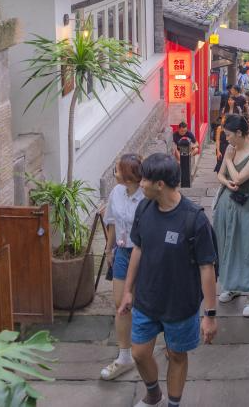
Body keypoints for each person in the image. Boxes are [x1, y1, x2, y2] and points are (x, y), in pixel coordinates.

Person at [118, 153, 218, 407]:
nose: (141, 184)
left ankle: (173, 403)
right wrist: (128, 290)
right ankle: (154, 395)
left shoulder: (194, 219)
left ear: (160, 184)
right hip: (147, 299)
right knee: (139, 353)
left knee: (176, 355)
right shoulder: (144, 208)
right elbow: (138, 248)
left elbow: (207, 268)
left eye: (145, 180)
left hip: (180, 305)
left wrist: (209, 315)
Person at [100, 154, 146, 381]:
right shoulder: (116, 192)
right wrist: (109, 250)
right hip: (122, 253)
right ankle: (125, 356)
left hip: (144, 254)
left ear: (128, 178)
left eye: (117, 171)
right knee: (120, 304)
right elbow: (112, 223)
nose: (114, 173)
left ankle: (165, 344)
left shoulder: (146, 197)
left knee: (148, 304)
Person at [213, 115, 249, 318]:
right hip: (227, 203)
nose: (226, 139)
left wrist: (228, 160)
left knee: (248, 248)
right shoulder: (231, 148)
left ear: (239, 133)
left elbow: (239, 178)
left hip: (246, 207)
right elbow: (221, 175)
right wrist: (226, 183)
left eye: (228, 135)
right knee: (227, 245)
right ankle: (232, 286)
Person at [171, 122, 198, 189]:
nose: (184, 132)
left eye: (185, 131)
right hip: (179, 151)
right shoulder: (175, 135)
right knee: (176, 151)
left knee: (196, 149)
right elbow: (174, 146)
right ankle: (182, 161)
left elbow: (197, 143)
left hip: (188, 150)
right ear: (178, 129)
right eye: (182, 131)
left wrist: (193, 146)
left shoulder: (189, 133)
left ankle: (187, 159)